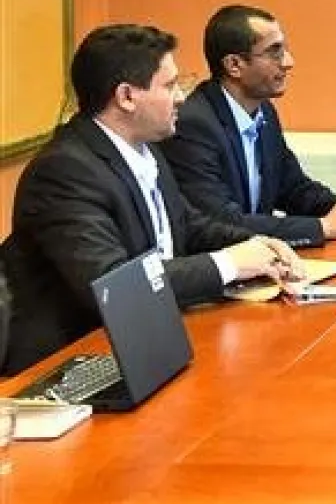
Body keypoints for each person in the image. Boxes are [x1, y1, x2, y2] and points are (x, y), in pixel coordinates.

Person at [1, 25, 304, 375]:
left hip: (144, 346)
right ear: (127, 97)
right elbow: (114, 285)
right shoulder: (65, 171)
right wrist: (230, 264)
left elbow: (188, 226)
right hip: (72, 365)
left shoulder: (146, 148)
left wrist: (258, 246)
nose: (181, 98)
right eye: (170, 85)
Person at [161, 5, 336, 249]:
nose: (288, 62)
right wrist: (324, 228)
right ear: (234, 65)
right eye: (274, 52)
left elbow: (293, 188)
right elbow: (221, 222)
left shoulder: (263, 111)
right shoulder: (193, 125)